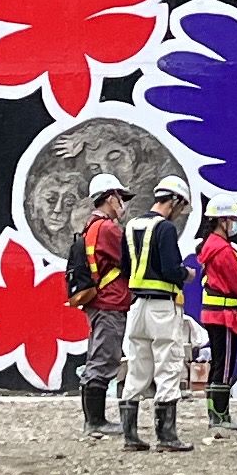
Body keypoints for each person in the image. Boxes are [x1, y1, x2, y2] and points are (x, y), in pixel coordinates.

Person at [116, 175, 198, 452]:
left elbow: (124, 266)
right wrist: (186, 274)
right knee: (168, 365)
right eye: (181, 207)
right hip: (163, 307)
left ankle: (130, 435)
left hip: (136, 306)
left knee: (138, 367)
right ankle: (166, 436)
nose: (179, 214)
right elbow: (170, 268)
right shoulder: (164, 230)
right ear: (174, 201)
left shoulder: (131, 226)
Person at [69, 172, 130, 440]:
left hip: (100, 302)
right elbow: (128, 261)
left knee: (99, 356)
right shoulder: (108, 229)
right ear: (109, 197)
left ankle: (95, 420)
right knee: (104, 359)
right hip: (109, 303)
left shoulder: (91, 227)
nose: (122, 203)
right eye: (119, 197)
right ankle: (95, 421)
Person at [192, 196, 237, 438]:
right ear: (222, 220)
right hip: (225, 315)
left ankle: (215, 415)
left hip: (213, 314)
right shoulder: (224, 250)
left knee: (218, 363)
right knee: (225, 365)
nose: (234, 223)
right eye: (231, 219)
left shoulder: (210, 246)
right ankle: (221, 416)